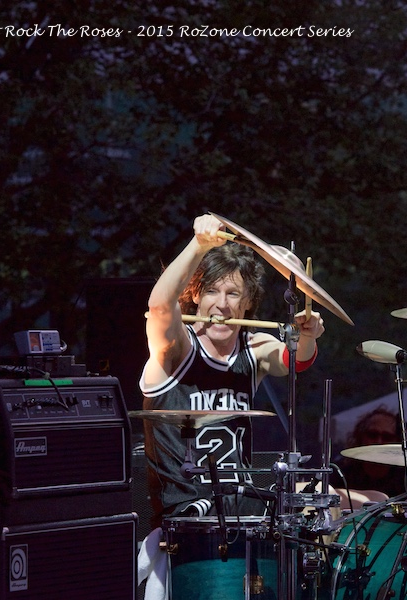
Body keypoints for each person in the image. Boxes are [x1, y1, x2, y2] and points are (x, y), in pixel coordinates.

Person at [139, 213, 325, 527]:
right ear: (195, 294)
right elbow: (159, 306)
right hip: (188, 518)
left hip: (244, 508)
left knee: (343, 498)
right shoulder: (176, 346)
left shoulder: (253, 347)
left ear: (248, 301)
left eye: (234, 293)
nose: (222, 304)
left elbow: (294, 359)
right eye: (212, 291)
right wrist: (198, 245)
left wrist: (308, 335)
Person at [333, 405, 407, 499]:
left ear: (397, 441)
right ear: (360, 437)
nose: (378, 441)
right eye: (372, 435)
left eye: (387, 437)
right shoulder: (341, 473)